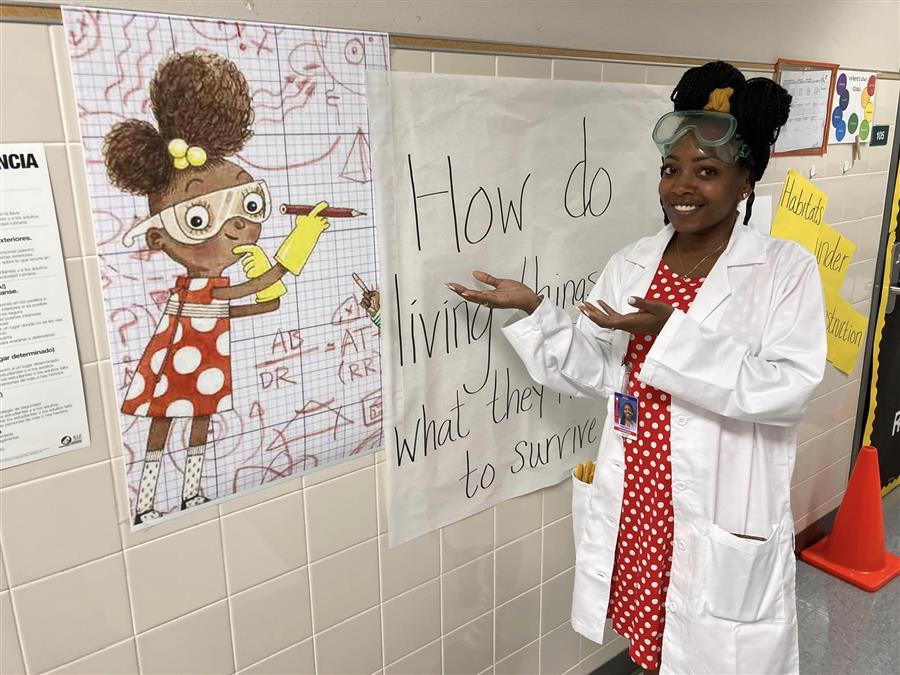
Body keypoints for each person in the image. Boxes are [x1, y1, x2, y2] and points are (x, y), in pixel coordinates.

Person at [447, 61, 826, 674]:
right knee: (653, 647)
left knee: (714, 653)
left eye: (707, 171)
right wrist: (533, 312)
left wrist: (671, 335)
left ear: (745, 181)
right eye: (670, 169)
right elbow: (599, 372)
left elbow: (786, 390)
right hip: (643, 506)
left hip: (717, 509)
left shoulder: (784, 270)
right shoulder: (632, 264)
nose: (682, 186)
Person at [104, 51, 331, 525]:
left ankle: (189, 492)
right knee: (163, 423)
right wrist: (294, 250)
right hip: (177, 365)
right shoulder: (197, 289)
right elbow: (241, 296)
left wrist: (267, 297)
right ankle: (148, 498)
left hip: (207, 361)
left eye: (248, 204)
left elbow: (239, 305)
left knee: (200, 422)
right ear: (158, 236)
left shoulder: (213, 288)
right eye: (199, 220)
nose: (236, 228)